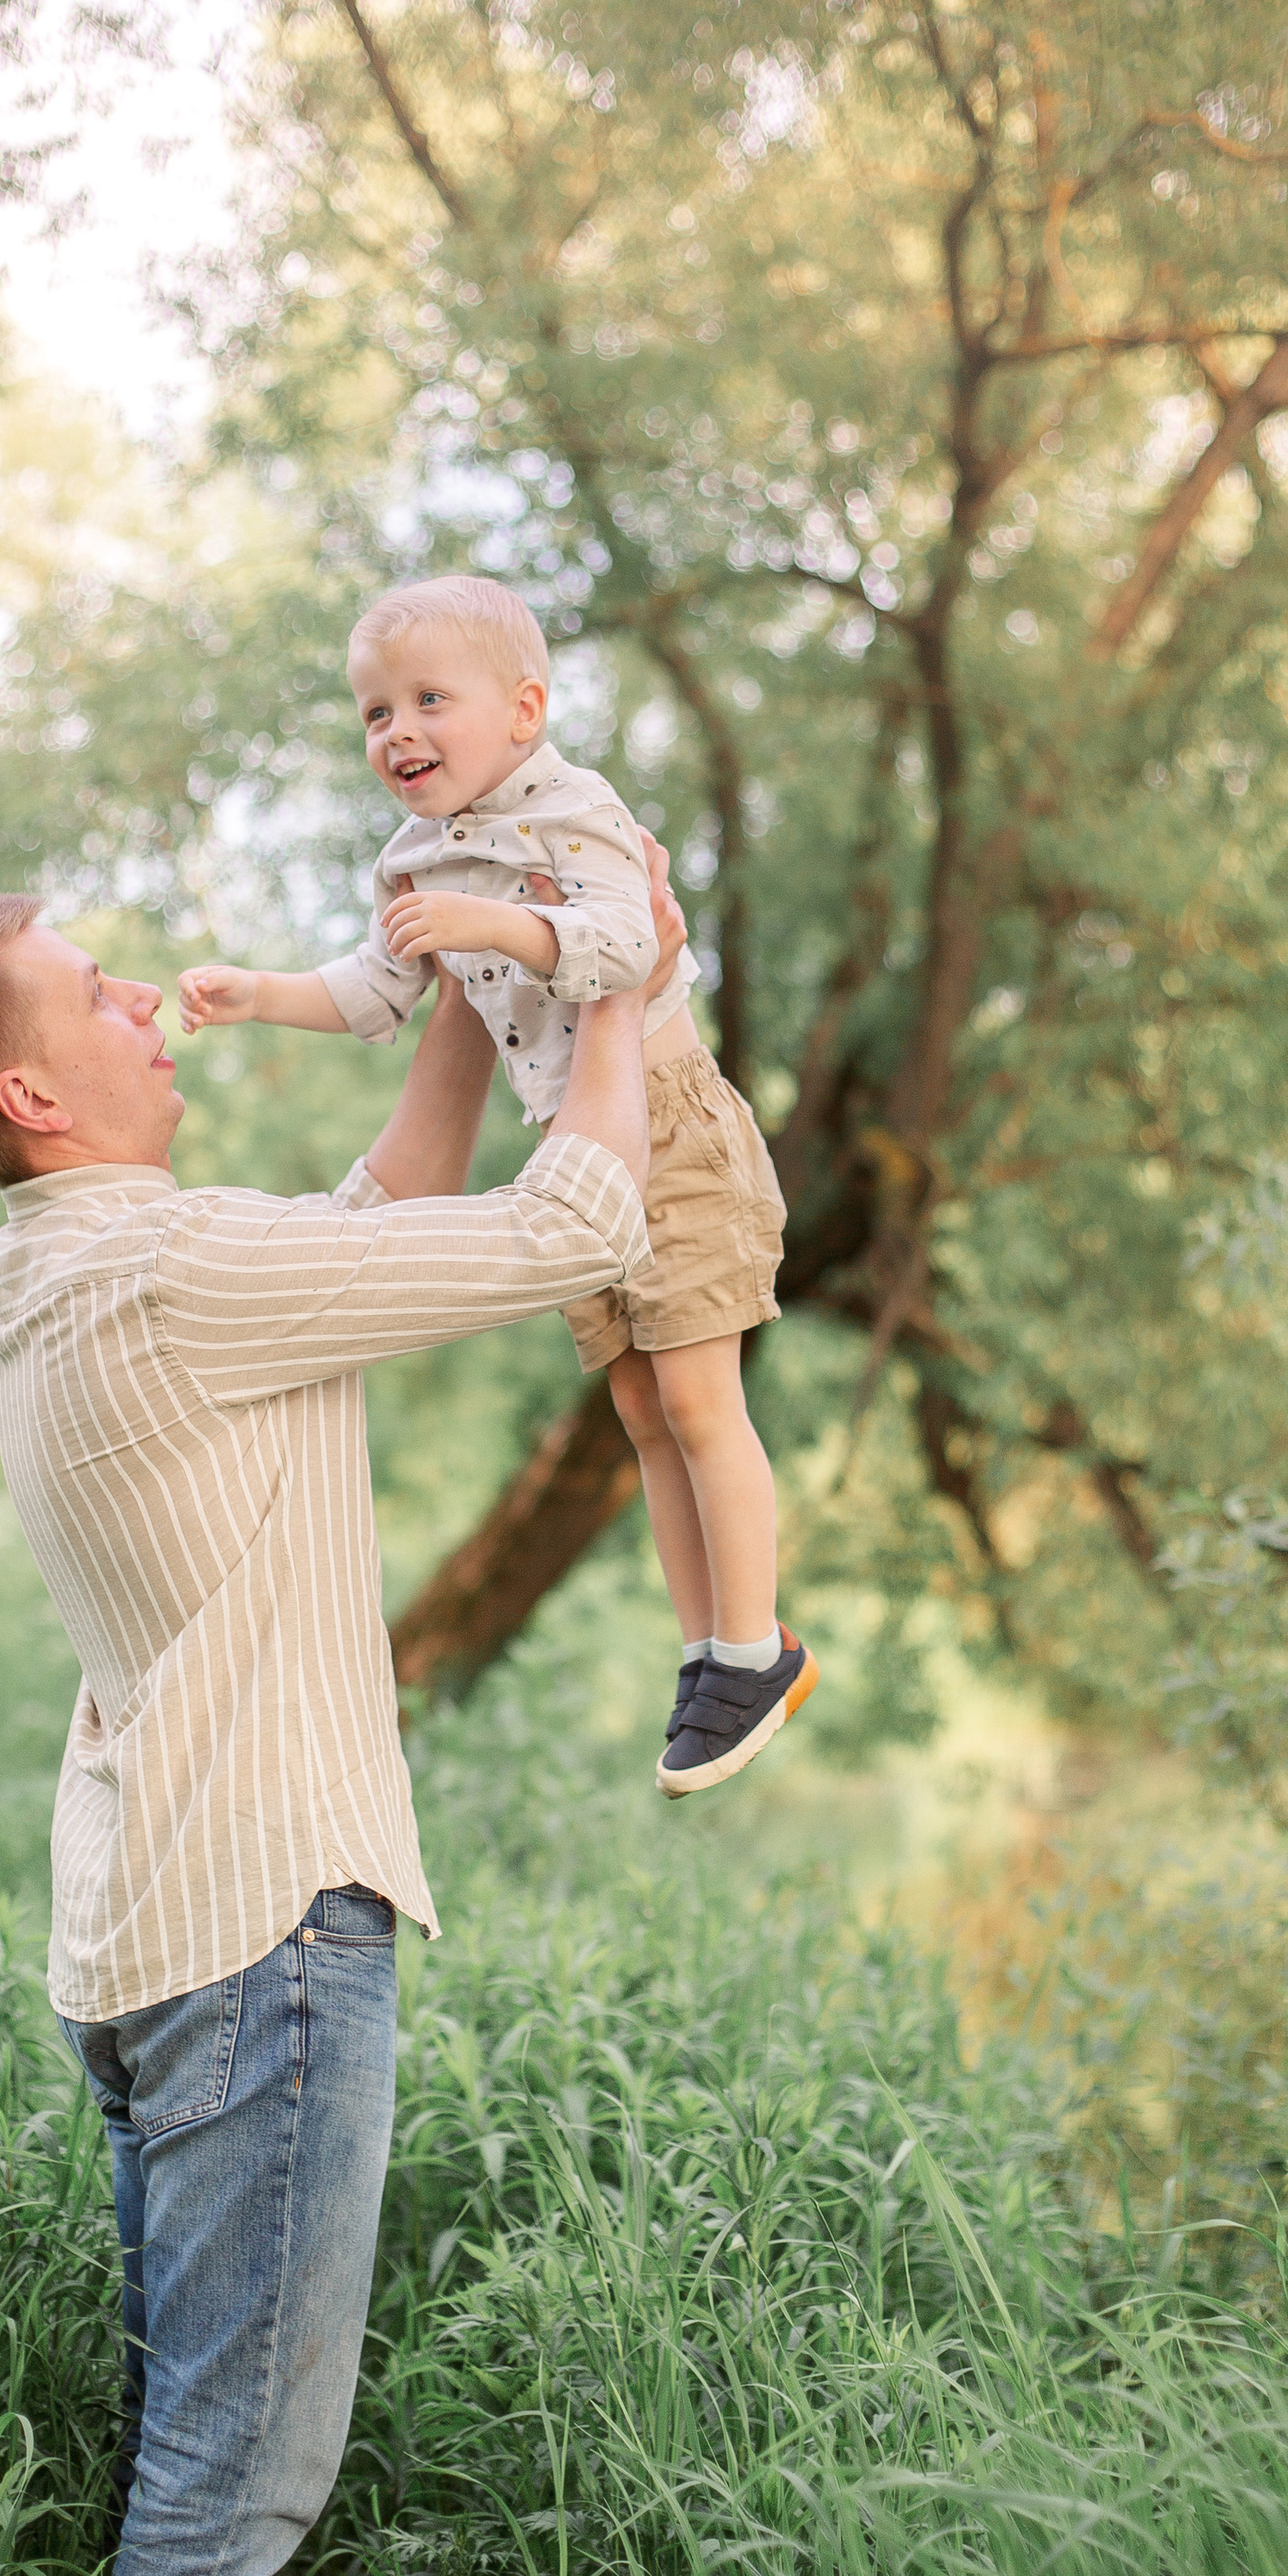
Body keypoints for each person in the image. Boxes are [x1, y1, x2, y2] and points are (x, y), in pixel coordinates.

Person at [0, 870, 672, 2576]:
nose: (147, 1000)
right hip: (264, 1933)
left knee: (191, 2473)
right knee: (226, 2503)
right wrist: (612, 977)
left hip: (157, 1929)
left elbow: (377, 1213)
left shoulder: (73, 1269)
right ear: (34, 1093)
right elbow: (583, 1224)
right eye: (97, 993)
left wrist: (472, 983)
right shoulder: (169, 1269)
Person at [177, 573, 818, 1794]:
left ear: (523, 711)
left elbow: (630, 944)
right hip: (579, 1151)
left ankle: (755, 1647)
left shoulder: (573, 810)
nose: (399, 732)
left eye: (430, 701)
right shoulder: (412, 860)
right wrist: (262, 993)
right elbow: (375, 991)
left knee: (697, 1397)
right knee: (639, 1410)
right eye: (376, 713)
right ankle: (707, 1650)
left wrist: (495, 926)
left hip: (673, 1130)